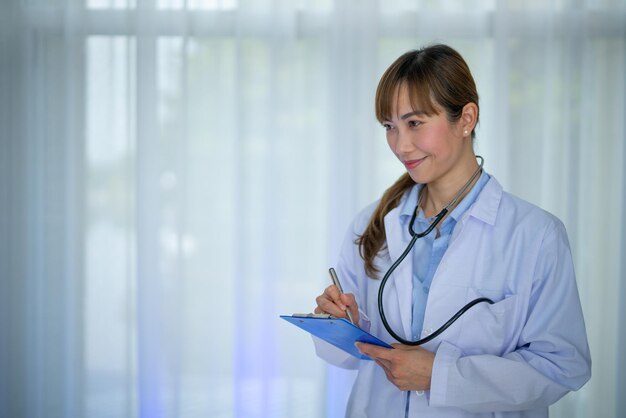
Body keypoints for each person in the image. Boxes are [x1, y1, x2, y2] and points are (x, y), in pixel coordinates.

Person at [313, 44, 591, 417]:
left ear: (466, 118)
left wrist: (439, 376)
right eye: (390, 127)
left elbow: (561, 366)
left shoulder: (535, 236)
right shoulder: (373, 225)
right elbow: (345, 357)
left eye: (414, 123)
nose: (400, 145)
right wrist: (343, 325)